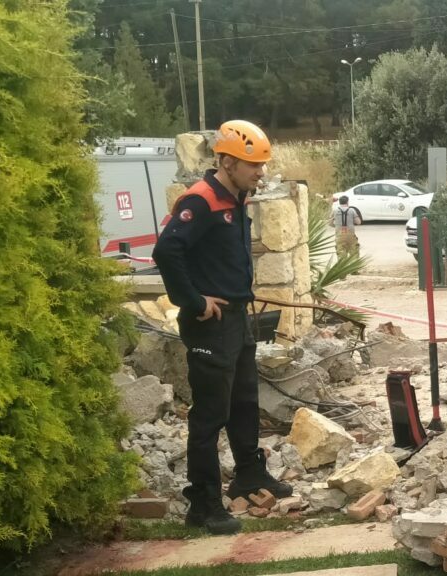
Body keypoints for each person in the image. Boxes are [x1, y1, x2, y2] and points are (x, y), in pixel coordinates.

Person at [153, 120, 292, 535]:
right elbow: (166, 251)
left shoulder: (236, 197)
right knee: (210, 415)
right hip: (210, 325)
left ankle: (249, 474)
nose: (261, 172)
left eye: (263, 164)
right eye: (254, 165)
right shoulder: (201, 200)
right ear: (227, 161)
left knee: (244, 402)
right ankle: (203, 503)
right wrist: (194, 301)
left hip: (237, 318)